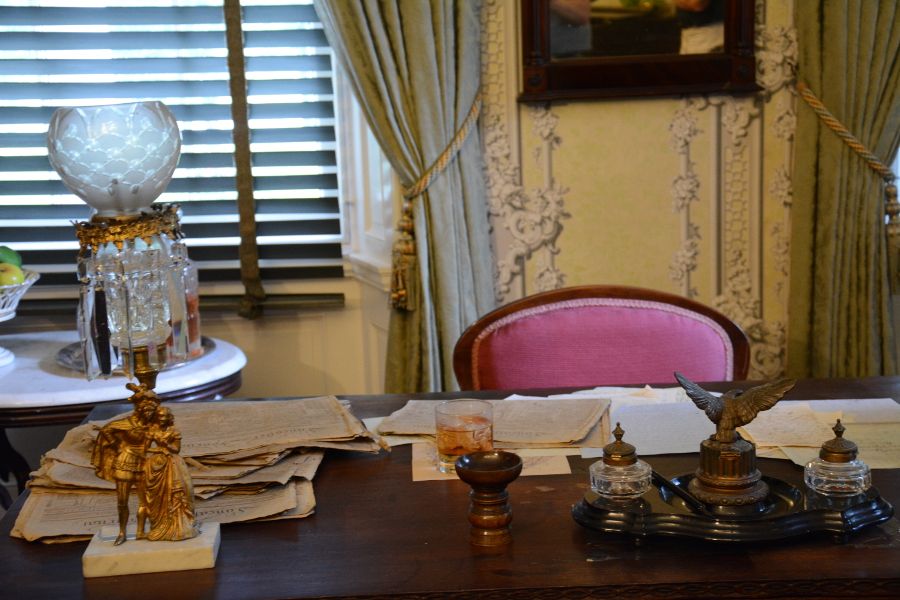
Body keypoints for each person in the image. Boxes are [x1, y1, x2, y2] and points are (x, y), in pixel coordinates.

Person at [91, 389, 159, 545]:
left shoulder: (152, 427)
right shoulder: (127, 423)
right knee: (122, 501)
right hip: (124, 463)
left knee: (146, 501)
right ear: (139, 409)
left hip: (142, 464)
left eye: (152, 411)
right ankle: (122, 532)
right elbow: (106, 429)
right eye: (147, 410)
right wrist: (117, 446)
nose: (149, 414)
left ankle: (142, 531)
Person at [141, 406, 198, 541]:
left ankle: (179, 526)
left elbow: (176, 449)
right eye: (159, 416)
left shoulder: (174, 431)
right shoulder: (151, 430)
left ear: (169, 418)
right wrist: (160, 450)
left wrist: (166, 444)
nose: (162, 419)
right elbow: (145, 448)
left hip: (172, 463)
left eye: (164, 417)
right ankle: (159, 525)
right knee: (156, 495)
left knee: (177, 492)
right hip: (156, 464)